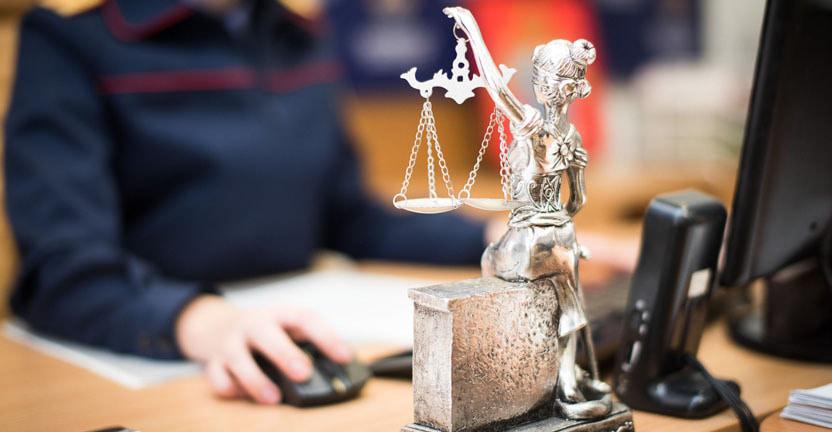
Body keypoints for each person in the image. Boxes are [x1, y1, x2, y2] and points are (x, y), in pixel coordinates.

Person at [4, 0, 489, 405]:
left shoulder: (296, 32)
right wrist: (205, 323)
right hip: (156, 355)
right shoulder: (72, 37)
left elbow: (347, 217)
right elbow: (61, 270)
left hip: (304, 320)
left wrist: (492, 239)